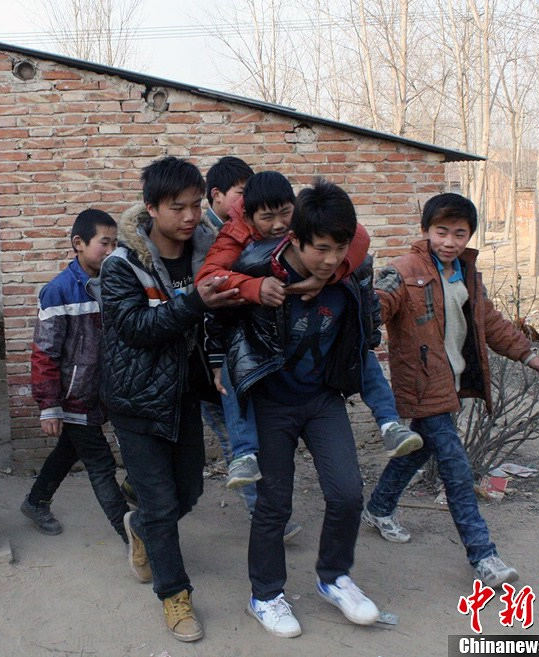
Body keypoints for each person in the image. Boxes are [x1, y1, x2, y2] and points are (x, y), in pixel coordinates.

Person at [362, 193, 539, 587]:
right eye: (441, 231)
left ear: (469, 236)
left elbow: (491, 323)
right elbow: (379, 304)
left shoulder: (465, 274)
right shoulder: (402, 270)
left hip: (451, 381)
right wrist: (364, 310)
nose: (449, 241)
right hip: (422, 382)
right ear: (426, 230)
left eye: (459, 233)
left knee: (424, 447)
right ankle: (484, 556)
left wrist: (528, 356)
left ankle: (379, 507)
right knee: (456, 467)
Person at [224, 179, 383, 638]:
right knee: (274, 504)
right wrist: (222, 367)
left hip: (322, 399)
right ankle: (266, 595)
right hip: (271, 403)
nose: (331, 259)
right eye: (321, 249)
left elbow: (366, 318)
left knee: (348, 492)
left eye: (340, 248)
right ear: (294, 239)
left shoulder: (349, 274)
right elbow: (222, 321)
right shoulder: (258, 272)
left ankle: (334, 578)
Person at [198, 171, 422, 490]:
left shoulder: (318, 239)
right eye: (267, 217)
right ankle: (243, 453)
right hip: (260, 355)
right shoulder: (239, 244)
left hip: (316, 370)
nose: (277, 224)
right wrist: (254, 288)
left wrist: (325, 277)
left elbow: (358, 244)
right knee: (236, 374)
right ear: (248, 216)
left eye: (284, 214)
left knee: (362, 353)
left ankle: (389, 423)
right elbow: (210, 288)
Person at [99, 156, 242, 642]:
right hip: (135, 399)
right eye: (177, 207)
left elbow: (221, 316)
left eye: (196, 206)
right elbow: (138, 328)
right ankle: (175, 596)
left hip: (184, 396)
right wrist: (195, 301)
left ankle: (138, 526)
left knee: (188, 494)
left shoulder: (209, 252)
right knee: (162, 504)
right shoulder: (123, 265)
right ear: (151, 207)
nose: (189, 216)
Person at [197, 157, 301, 541]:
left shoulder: (257, 230)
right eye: (243, 194)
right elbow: (208, 289)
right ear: (219, 195)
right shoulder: (208, 235)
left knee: (242, 435)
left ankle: (267, 514)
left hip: (245, 346)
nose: (248, 203)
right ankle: (266, 516)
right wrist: (215, 357)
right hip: (215, 348)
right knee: (236, 439)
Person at [21, 208, 130, 543]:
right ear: (79, 244)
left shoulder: (113, 284)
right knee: (101, 464)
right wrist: (49, 405)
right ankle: (134, 538)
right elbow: (44, 353)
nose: (111, 251)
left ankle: (36, 501)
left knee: (70, 449)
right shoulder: (59, 291)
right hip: (74, 396)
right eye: (104, 243)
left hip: (105, 391)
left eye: (115, 243)